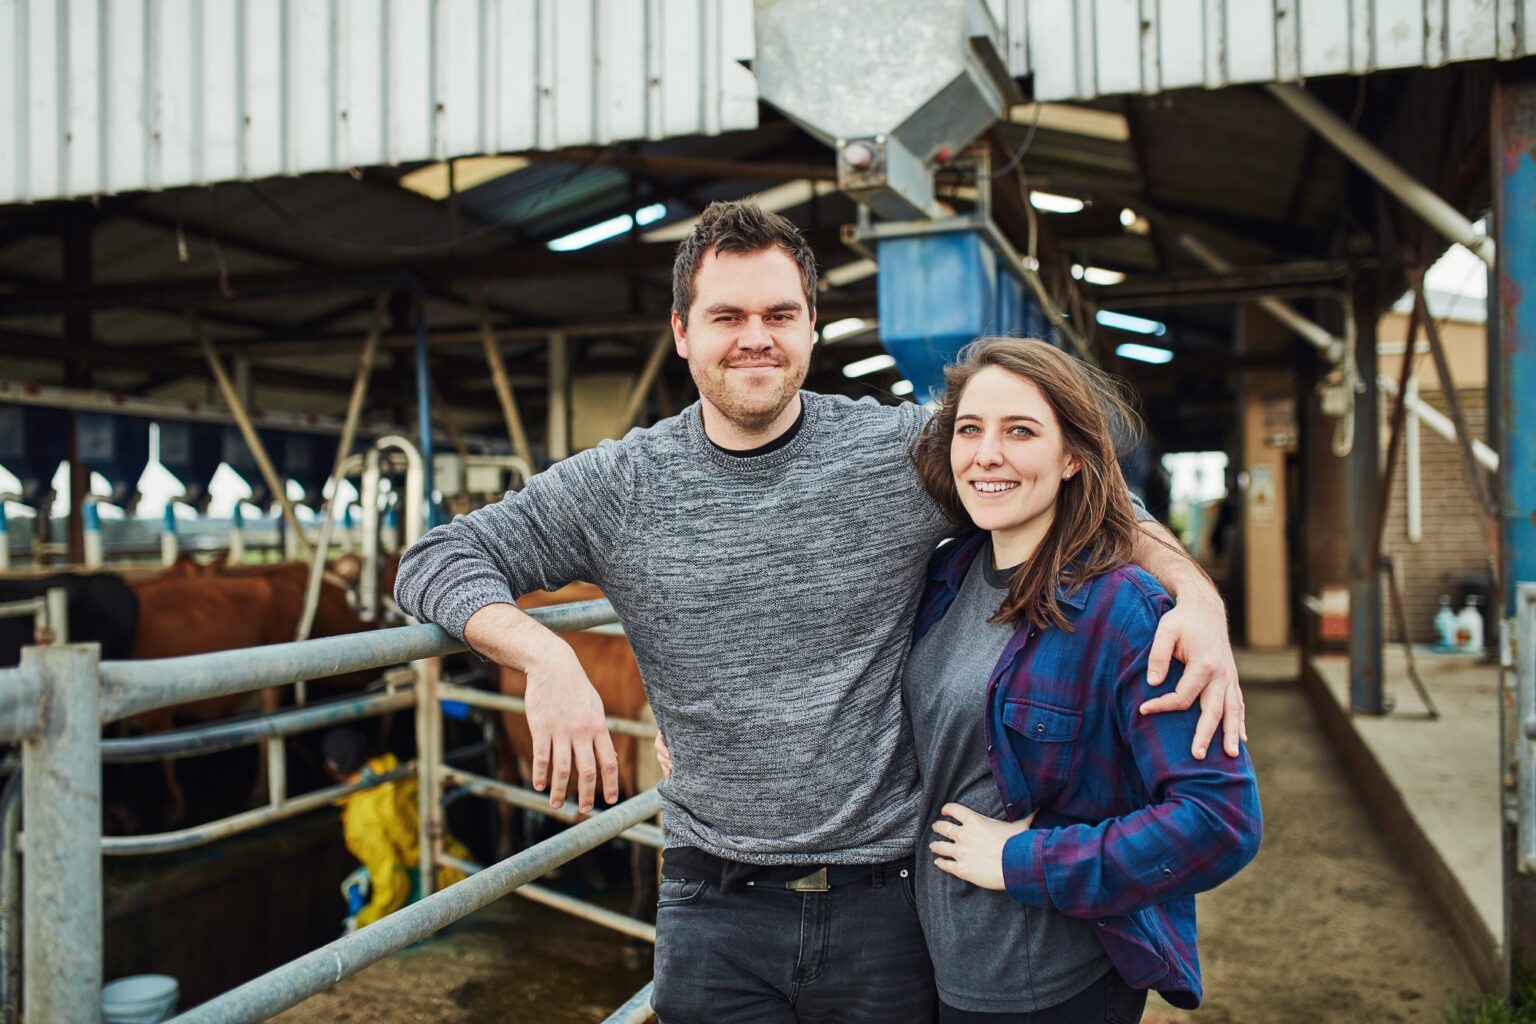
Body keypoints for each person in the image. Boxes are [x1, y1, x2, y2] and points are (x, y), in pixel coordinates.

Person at [394, 201, 1245, 1022]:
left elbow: (1085, 498)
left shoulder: (900, 453)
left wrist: (1198, 596)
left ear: (810, 327)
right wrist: (544, 656)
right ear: (683, 331)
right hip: (712, 899)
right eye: (726, 316)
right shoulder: (621, 486)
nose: (755, 337)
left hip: (884, 900)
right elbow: (434, 559)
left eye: (779, 313)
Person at [908, 338, 1261, 1022]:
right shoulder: (947, 579)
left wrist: (1025, 862)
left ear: (1073, 456)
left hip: (1052, 980)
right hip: (938, 961)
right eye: (970, 429)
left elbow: (1220, 820)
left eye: (1021, 431)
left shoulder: (1122, 609)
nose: (987, 454)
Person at [322, 728, 470, 931]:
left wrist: (361, 923)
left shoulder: (359, 818)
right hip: (460, 869)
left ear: (331, 771)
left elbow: (395, 887)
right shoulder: (401, 772)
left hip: (436, 895)